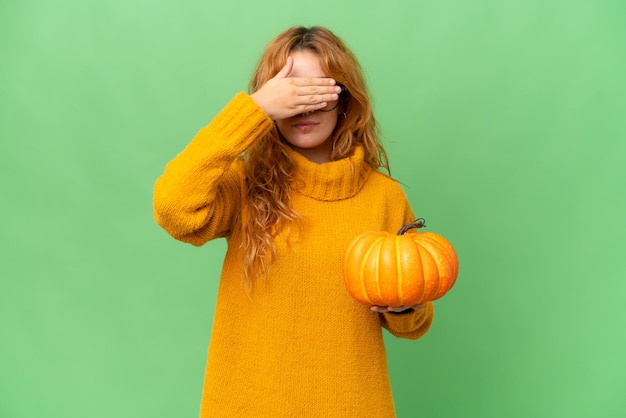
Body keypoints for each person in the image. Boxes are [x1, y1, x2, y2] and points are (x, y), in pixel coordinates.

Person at [153, 25, 435, 418]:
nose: (305, 107)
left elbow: (413, 324)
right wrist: (251, 111)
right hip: (250, 404)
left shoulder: (384, 197)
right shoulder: (244, 183)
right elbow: (174, 210)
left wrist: (405, 306)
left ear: (345, 101)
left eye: (319, 91)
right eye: (291, 93)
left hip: (352, 404)